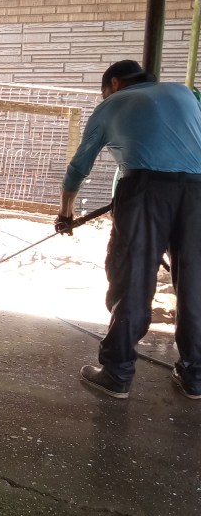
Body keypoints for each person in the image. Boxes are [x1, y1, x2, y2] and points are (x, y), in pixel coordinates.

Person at [56, 59, 201, 399]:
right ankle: (196, 376)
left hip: (145, 191)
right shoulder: (185, 93)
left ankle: (117, 372)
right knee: (196, 280)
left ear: (115, 84)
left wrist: (65, 213)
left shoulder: (113, 104)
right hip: (199, 192)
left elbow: (79, 168)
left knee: (133, 276)